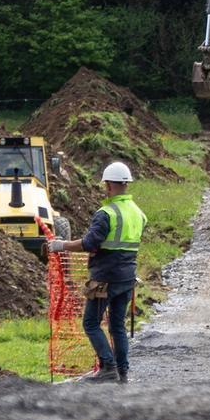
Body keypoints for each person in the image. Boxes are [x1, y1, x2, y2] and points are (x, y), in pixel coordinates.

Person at [47, 161, 147, 383]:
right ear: (126, 184)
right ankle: (122, 371)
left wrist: (61, 245)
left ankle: (108, 367)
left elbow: (90, 243)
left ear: (109, 186)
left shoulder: (106, 213)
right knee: (117, 325)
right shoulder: (138, 213)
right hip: (127, 277)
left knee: (91, 323)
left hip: (105, 278)